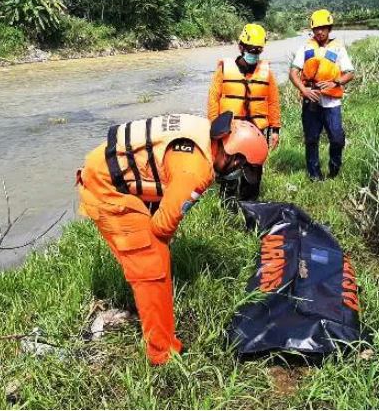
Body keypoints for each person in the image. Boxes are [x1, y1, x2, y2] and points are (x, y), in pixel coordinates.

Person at [76, 112, 268, 365]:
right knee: (151, 263)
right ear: (232, 154)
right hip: (106, 188)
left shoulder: (205, 136)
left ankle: (154, 320)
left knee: (156, 253)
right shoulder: (196, 170)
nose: (236, 174)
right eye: (240, 167)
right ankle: (161, 354)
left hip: (115, 174)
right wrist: (155, 237)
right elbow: (163, 227)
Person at [208, 23, 281, 204]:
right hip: (231, 129)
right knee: (228, 168)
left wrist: (275, 129)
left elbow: (272, 102)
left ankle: (250, 204)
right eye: (250, 49)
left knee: (254, 168)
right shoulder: (224, 70)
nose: (253, 54)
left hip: (256, 130)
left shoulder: (267, 73)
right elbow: (213, 99)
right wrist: (214, 128)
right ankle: (228, 204)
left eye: (257, 51)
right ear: (241, 47)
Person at [289, 9, 355, 181]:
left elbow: (349, 73)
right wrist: (304, 90)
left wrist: (336, 82)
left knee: (337, 138)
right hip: (311, 100)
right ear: (312, 29)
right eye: (316, 28)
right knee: (311, 139)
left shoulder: (339, 48)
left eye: (323, 28)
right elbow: (293, 73)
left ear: (329, 28)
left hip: (331, 102)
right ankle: (314, 175)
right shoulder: (305, 47)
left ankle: (334, 169)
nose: (320, 31)